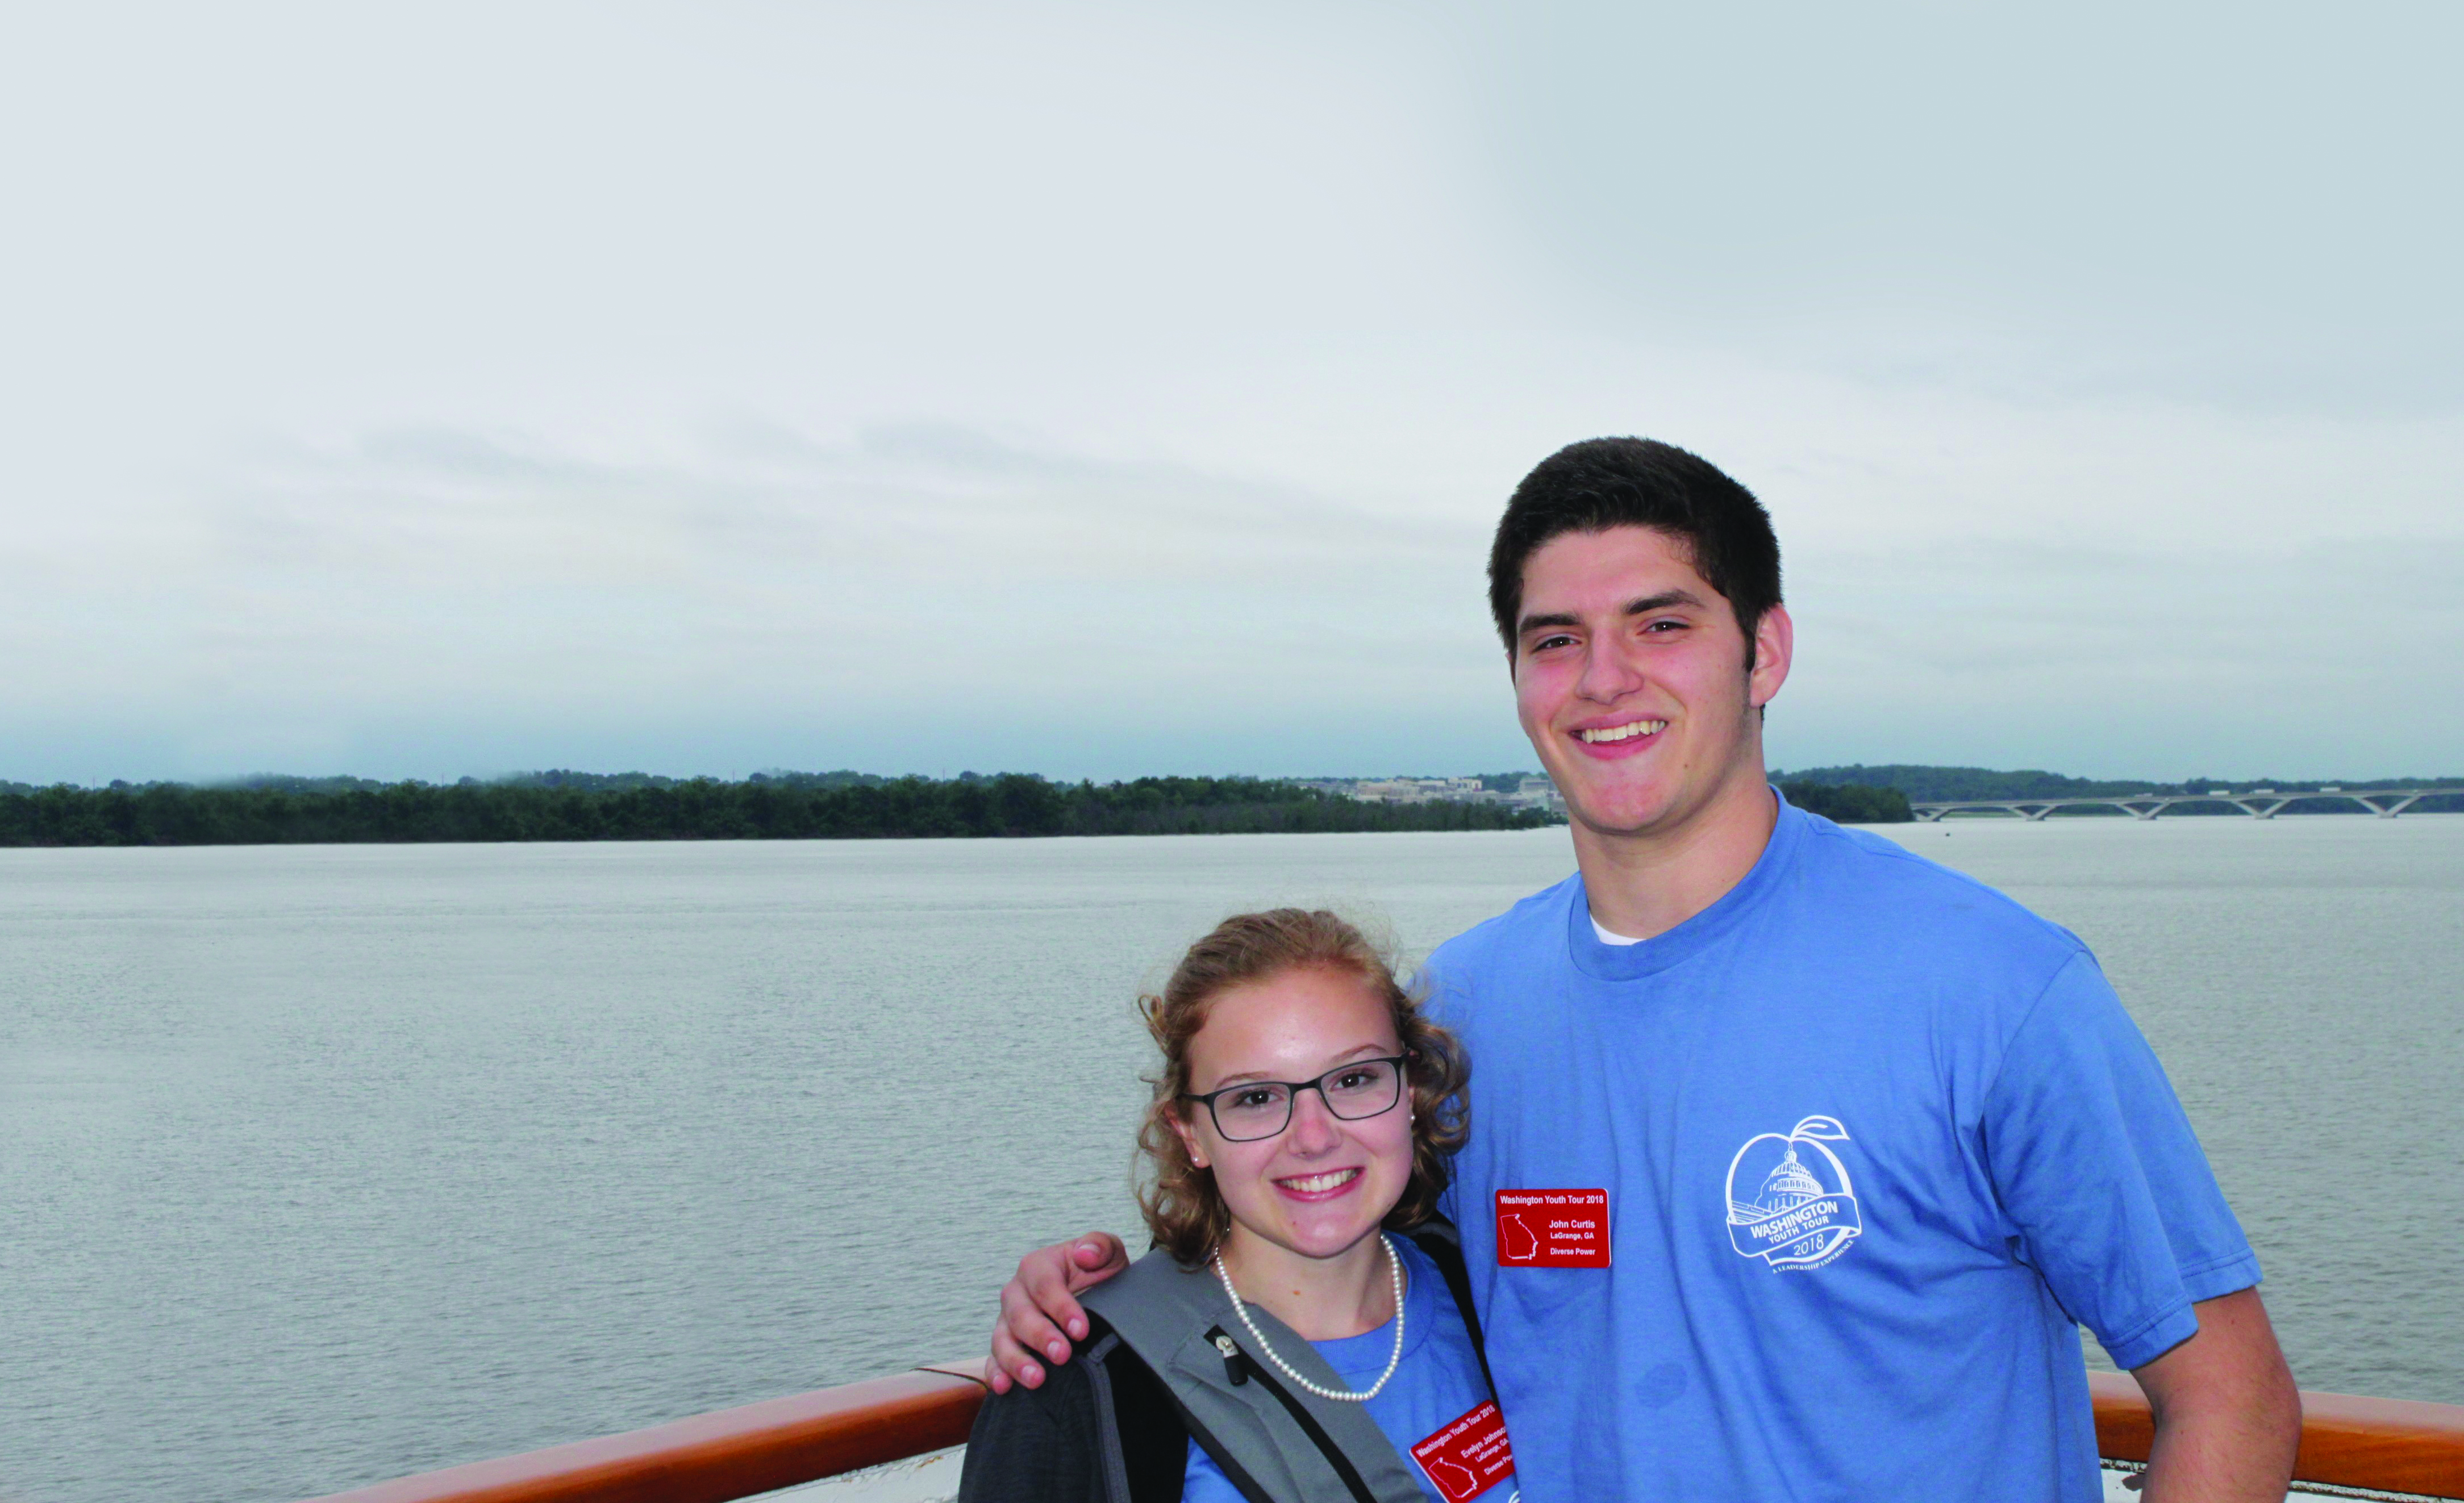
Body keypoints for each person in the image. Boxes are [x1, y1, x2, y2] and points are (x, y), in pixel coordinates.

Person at [985, 439, 2302, 1502]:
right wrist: (1089, 1297)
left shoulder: (1993, 988)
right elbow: (1301, 1216)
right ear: (1513, 678)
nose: (1600, 679)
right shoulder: (1459, 1013)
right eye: (1553, 638)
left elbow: (2227, 1394)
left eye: (1658, 623)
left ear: (1763, 650)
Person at [960, 908, 1521, 1503]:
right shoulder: (1096, 1381)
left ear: (1408, 1090)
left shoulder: (1483, 1284)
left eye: (1353, 1079)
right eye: (1254, 1097)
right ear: (1190, 1133)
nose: (1313, 1136)